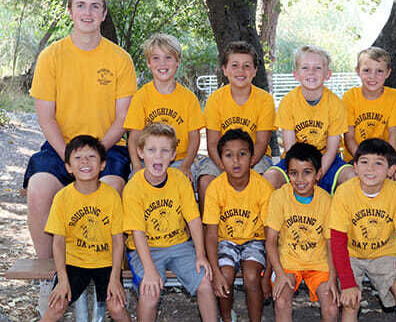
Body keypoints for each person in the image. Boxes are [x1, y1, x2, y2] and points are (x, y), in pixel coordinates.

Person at [23, 0, 136, 314]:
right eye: (81, 5)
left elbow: (122, 119)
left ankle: (107, 276)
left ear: (103, 14)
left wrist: (93, 157)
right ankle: (51, 278)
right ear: (70, 10)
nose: (88, 12)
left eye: (95, 6)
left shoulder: (120, 59)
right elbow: (46, 118)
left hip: (108, 147)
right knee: (40, 190)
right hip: (60, 147)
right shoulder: (51, 56)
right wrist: (71, 158)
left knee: (112, 191)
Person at [122, 123, 218, 322]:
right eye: (152, 150)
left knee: (204, 280)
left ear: (174, 154)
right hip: (145, 249)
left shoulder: (179, 181)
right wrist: (149, 270)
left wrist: (201, 255)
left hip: (179, 244)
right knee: (150, 291)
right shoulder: (134, 188)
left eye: (165, 151)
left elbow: (193, 220)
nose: (158, 157)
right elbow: (137, 233)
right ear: (140, 153)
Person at [34, 135, 133, 322]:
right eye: (78, 158)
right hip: (74, 262)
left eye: (91, 156)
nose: (85, 162)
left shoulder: (111, 196)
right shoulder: (62, 197)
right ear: (68, 167)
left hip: (106, 262)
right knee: (55, 307)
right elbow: (58, 242)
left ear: (103, 164)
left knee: (117, 308)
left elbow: (117, 240)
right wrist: (62, 279)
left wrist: (115, 277)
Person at [329, 138, 396, 322]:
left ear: (391, 170)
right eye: (364, 162)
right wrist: (348, 283)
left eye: (378, 163)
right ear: (355, 167)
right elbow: (338, 242)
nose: (370, 168)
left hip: (384, 254)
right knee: (350, 302)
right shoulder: (344, 192)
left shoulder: (395, 192)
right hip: (351, 254)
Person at [203, 129, 274, 322]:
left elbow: (271, 236)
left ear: (252, 159)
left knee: (252, 277)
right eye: (228, 155)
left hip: (255, 240)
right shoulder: (215, 188)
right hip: (226, 240)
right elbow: (211, 235)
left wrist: (268, 274)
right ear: (220, 160)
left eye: (242, 154)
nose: (236, 160)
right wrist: (215, 272)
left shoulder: (263, 188)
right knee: (225, 275)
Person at [265, 142, 339, 322]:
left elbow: (332, 243)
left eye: (307, 172)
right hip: (289, 263)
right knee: (281, 302)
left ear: (318, 173)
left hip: (319, 263)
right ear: (287, 174)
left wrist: (332, 277)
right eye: (293, 173)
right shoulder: (279, 197)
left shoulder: (326, 201)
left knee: (331, 308)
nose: (300, 179)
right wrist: (279, 273)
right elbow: (270, 241)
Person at [263, 45, 354, 195]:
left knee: (352, 178)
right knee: (269, 179)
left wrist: (318, 174)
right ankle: (272, 218)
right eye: (305, 67)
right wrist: (301, 174)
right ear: (296, 74)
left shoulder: (336, 104)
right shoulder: (288, 102)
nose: (311, 72)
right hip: (294, 160)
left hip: (327, 161)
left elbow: (331, 150)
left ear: (327, 74)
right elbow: (290, 147)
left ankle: (342, 217)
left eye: (317, 68)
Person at [198, 41, 275, 212]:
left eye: (247, 66)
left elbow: (261, 143)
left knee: (266, 180)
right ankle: (207, 231)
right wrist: (226, 167)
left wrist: (244, 167)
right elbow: (212, 144)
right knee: (205, 181)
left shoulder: (264, 100)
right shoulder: (215, 99)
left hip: (255, 158)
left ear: (255, 71)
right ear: (225, 70)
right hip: (221, 158)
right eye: (235, 65)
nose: (241, 71)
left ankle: (263, 231)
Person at [124, 33, 204, 183]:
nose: (162, 63)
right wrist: (136, 166)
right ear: (148, 62)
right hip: (148, 160)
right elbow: (134, 137)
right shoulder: (141, 96)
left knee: (181, 183)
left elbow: (194, 138)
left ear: (177, 62)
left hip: (180, 159)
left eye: (168, 57)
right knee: (136, 184)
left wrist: (186, 166)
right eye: (156, 58)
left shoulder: (188, 98)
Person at [342, 47, 396, 168]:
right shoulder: (350, 97)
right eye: (367, 70)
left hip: (386, 158)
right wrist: (363, 163)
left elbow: (393, 135)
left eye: (379, 71)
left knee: (386, 184)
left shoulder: (395, 97)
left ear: (388, 73)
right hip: (356, 157)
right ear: (357, 71)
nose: (373, 76)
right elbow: (349, 138)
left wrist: (388, 163)